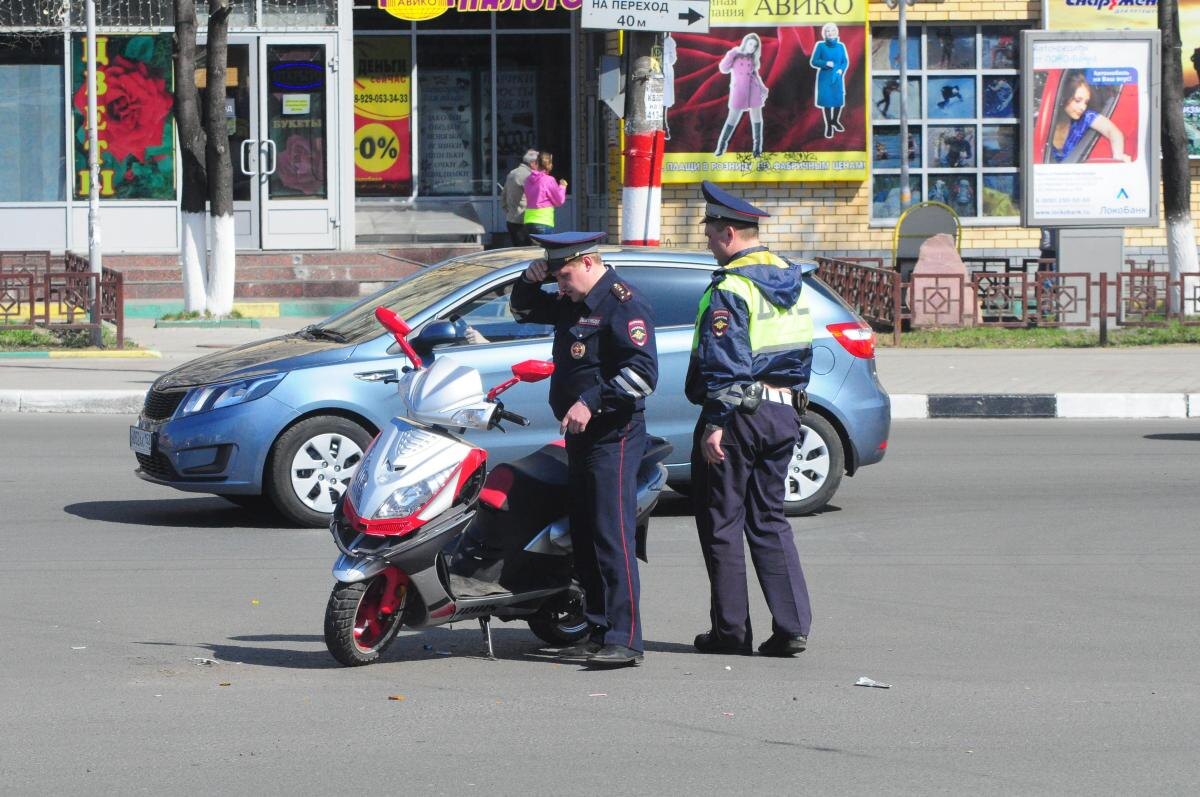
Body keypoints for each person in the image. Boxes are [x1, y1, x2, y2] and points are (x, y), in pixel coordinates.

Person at [510, 232, 659, 668]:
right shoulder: (575, 300)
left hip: (614, 435)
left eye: (565, 273)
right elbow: (523, 312)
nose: (561, 285)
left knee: (611, 537)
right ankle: (596, 631)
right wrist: (528, 279)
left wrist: (591, 401)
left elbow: (643, 375)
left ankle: (625, 638)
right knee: (586, 539)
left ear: (589, 262)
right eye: (555, 276)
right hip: (580, 438)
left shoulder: (623, 303)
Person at [686, 181, 814, 658]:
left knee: (722, 523)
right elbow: (799, 352)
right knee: (769, 520)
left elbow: (726, 362)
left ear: (727, 233)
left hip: (739, 416)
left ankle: (730, 632)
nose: (707, 242)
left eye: (710, 233)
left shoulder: (731, 287)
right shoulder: (790, 276)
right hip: (784, 411)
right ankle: (792, 627)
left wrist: (716, 421)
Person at [1049, 73, 1130, 164]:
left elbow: (1113, 132)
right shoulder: (1044, 122)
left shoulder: (1085, 117)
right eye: (1078, 100)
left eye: (1086, 102)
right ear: (1063, 98)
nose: (1083, 107)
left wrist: (1118, 158)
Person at [713, 33, 769, 158]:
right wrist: (732, 53)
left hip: (753, 90)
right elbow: (723, 69)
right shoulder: (735, 55)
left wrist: (763, 87)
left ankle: (757, 150)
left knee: (757, 119)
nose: (752, 48)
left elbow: (755, 75)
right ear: (745, 43)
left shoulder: (753, 58)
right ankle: (721, 147)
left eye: (754, 46)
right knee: (732, 119)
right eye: (750, 44)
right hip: (738, 90)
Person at [810, 23, 849, 139]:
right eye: (827, 31)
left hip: (837, 78)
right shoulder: (821, 46)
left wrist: (841, 71)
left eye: (832, 31)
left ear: (836, 32)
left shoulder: (841, 46)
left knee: (838, 101)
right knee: (827, 102)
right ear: (824, 34)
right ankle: (828, 126)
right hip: (825, 78)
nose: (830, 33)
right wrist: (825, 63)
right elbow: (814, 61)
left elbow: (844, 62)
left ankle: (835, 121)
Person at [522, 151, 567, 236]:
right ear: (549, 164)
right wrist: (562, 186)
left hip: (528, 221)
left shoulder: (527, 179)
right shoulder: (549, 180)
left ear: (537, 163)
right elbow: (559, 201)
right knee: (547, 248)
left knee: (534, 248)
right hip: (543, 221)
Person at [502, 148, 538, 246]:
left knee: (518, 251)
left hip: (511, 220)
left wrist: (509, 211)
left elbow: (503, 196)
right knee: (529, 254)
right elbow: (537, 197)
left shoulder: (512, 173)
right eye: (539, 163)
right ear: (533, 163)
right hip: (524, 220)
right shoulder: (529, 176)